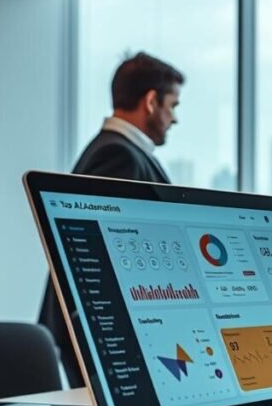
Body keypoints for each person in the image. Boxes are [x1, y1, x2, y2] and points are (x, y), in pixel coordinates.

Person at [39, 52, 184, 388]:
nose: (174, 118)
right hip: (110, 339)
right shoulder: (118, 156)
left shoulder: (113, 149)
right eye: (172, 105)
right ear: (151, 101)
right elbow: (102, 264)